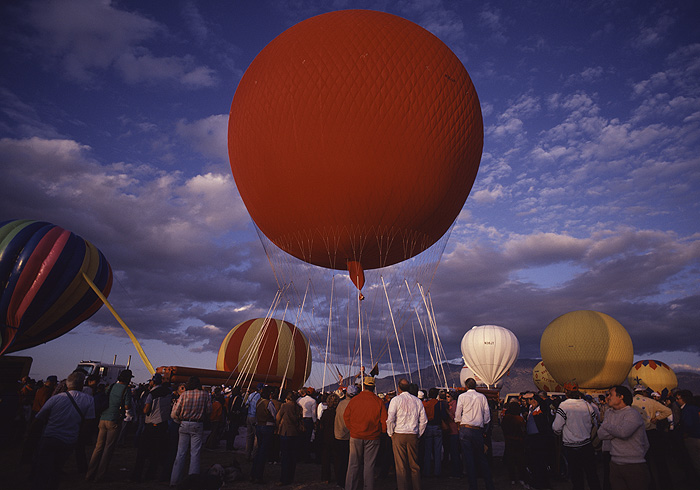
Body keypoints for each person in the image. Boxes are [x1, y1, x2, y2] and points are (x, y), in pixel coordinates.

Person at [31, 371, 95, 490]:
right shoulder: (88, 400)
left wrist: (31, 434)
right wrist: (80, 438)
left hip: (49, 437)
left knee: (42, 469)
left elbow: (39, 418)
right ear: (82, 384)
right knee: (57, 469)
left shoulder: (56, 398)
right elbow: (88, 422)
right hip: (69, 440)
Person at [597, 386, 650, 490]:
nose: (608, 398)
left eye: (610, 395)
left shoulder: (632, 414)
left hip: (633, 464)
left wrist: (606, 425)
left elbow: (623, 432)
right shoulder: (609, 413)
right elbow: (601, 435)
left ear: (621, 397)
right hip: (615, 463)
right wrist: (616, 429)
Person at [86, 368, 133, 482]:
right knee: (108, 448)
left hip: (103, 418)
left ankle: (89, 473)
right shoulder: (126, 390)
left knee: (98, 447)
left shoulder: (111, 386)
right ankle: (100, 475)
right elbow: (127, 407)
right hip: (114, 420)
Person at [344, 376, 388, 490]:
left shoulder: (354, 400)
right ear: (373, 387)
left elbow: (346, 417)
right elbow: (384, 421)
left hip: (356, 436)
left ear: (363, 386)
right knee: (369, 466)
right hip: (373, 437)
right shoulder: (378, 401)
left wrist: (352, 429)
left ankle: (350, 487)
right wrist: (381, 432)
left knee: (353, 464)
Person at [552, 389, 601, 490]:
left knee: (576, 476)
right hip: (587, 444)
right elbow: (595, 422)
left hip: (571, 446)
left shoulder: (564, 406)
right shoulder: (587, 405)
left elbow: (556, 427)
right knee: (591, 474)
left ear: (566, 395)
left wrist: (559, 433)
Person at [169, 375, 212, 486]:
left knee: (181, 453)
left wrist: (180, 419)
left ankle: (174, 480)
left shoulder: (184, 395)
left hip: (184, 423)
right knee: (195, 453)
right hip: (197, 424)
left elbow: (176, 411)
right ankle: (193, 482)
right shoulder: (205, 395)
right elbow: (209, 410)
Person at [131, 373, 172, 482]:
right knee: (156, 452)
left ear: (153, 382)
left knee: (142, 452)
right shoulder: (168, 393)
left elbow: (146, 410)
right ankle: (150, 475)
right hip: (163, 425)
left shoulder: (151, 394)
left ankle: (137, 476)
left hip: (151, 425)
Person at [454, 377, 494, 490]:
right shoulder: (482, 397)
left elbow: (458, 414)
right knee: (481, 457)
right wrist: (484, 426)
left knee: (469, 459)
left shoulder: (462, 397)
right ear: (475, 386)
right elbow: (487, 416)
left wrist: (459, 424)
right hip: (477, 430)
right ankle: (489, 484)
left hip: (465, 429)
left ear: (466, 386)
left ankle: (473, 485)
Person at [387, 378, 427, 490]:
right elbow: (424, 420)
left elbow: (390, 419)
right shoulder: (417, 401)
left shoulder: (395, 400)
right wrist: (418, 434)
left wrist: (391, 433)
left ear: (398, 387)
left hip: (399, 434)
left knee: (401, 466)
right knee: (414, 465)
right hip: (412, 434)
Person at [631, 385, 672, 489]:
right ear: (644, 392)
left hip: (638, 434)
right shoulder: (651, 402)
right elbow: (668, 411)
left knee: (645, 461)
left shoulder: (630, 402)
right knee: (660, 460)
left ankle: (650, 484)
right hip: (652, 432)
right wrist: (657, 418)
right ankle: (665, 484)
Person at [525, 394, 554, 490]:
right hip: (532, 439)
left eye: (533, 400)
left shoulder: (541, 411)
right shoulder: (531, 411)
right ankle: (537, 482)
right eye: (530, 400)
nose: (531, 402)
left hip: (539, 439)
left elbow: (545, 408)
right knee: (535, 462)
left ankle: (542, 483)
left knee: (540, 462)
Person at [250, 386, 277, 483]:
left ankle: (253, 473)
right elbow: (274, 415)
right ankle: (258, 475)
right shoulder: (268, 403)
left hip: (259, 426)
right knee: (263, 452)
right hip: (267, 427)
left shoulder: (258, 402)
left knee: (259, 450)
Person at [276, 390, 304, 485]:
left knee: (285, 457)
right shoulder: (299, 407)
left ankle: (284, 479)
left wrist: (277, 426)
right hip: (295, 433)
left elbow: (278, 417)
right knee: (292, 457)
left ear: (288, 398)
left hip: (286, 432)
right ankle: (291, 478)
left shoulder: (285, 406)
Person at [335, 385, 357, 488]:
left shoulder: (340, 404)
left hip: (338, 434)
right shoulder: (353, 405)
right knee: (347, 460)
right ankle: (345, 480)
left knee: (339, 458)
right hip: (348, 436)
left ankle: (339, 479)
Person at [501, 401, 527, 486]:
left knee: (510, 461)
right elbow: (523, 429)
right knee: (520, 461)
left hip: (509, 441)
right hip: (519, 441)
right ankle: (521, 478)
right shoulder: (519, 419)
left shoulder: (506, 418)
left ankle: (512, 478)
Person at [675, 390, 700, 476]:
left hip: (692, 437)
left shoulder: (687, 410)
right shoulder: (696, 408)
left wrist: (685, 433)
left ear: (684, 399)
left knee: (696, 460)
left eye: (678, 398)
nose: (677, 400)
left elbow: (688, 424)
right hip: (697, 435)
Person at [320, 392, 340, 483]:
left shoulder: (325, 413)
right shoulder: (338, 413)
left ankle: (326, 478)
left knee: (325, 459)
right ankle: (338, 476)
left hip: (326, 438)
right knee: (337, 458)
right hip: (336, 437)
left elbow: (321, 425)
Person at [297, 387, 318, 462]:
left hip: (301, 420)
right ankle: (306, 456)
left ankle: (299, 455)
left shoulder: (299, 400)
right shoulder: (313, 401)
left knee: (300, 438)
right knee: (307, 438)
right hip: (309, 420)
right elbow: (313, 413)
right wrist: (315, 422)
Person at [245, 383, 263, 461]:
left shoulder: (251, 395)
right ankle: (254, 455)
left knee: (249, 436)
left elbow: (246, 404)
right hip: (255, 417)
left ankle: (247, 454)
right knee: (256, 436)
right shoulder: (259, 397)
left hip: (248, 416)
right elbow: (257, 407)